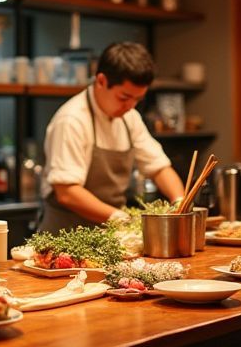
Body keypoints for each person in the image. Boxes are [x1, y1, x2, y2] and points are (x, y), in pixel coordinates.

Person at [38, 42, 185, 232]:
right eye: (124, 98)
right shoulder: (72, 119)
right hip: (65, 238)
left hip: (110, 235)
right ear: (101, 81)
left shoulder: (129, 117)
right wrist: (120, 218)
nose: (131, 106)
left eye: (137, 100)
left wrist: (179, 202)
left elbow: (158, 167)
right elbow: (67, 192)